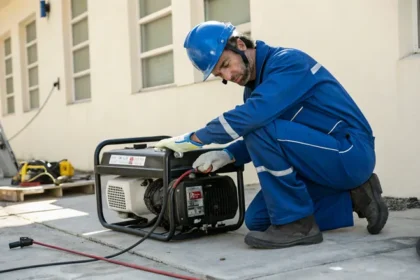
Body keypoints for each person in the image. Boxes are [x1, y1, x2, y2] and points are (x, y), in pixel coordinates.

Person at [155, 21, 389, 249]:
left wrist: (196, 138)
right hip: (318, 163)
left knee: (283, 208)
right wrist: (227, 154)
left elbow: (258, 122)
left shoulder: (288, 62)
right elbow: (272, 136)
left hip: (350, 152)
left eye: (226, 64)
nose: (228, 75)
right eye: (220, 74)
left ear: (240, 44)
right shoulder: (254, 91)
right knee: (259, 220)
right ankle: (353, 196)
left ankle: (298, 224)